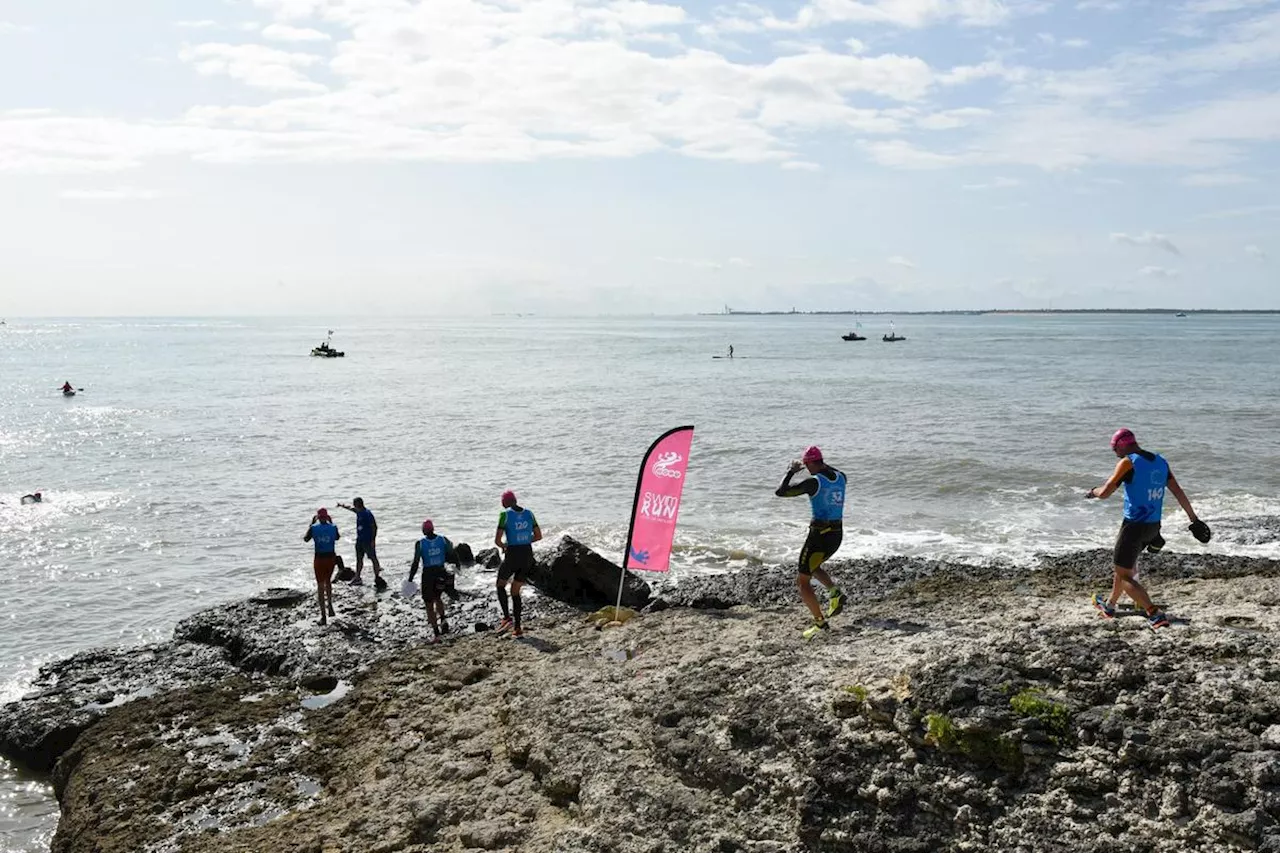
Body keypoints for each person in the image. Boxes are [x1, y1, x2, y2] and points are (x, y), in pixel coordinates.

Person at [1086, 428, 1209, 630]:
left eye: (1114, 448)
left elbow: (1106, 492)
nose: (1114, 452)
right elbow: (1177, 491)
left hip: (1133, 527)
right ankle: (1110, 606)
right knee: (1123, 566)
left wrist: (1093, 492)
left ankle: (1154, 614)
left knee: (1124, 574)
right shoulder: (1160, 462)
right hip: (1153, 526)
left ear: (1122, 445)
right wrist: (1194, 520)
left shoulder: (1128, 462)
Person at [775, 445, 847, 640]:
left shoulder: (813, 483)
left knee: (802, 581)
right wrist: (815, 462)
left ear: (809, 464)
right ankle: (834, 593)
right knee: (812, 566)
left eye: (807, 465)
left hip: (819, 536)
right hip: (837, 535)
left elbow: (781, 492)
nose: (806, 469)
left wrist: (791, 471)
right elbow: (827, 468)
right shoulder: (842, 477)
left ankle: (819, 623)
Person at [494, 490, 541, 638]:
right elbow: (538, 536)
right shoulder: (529, 513)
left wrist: (505, 546)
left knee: (500, 585)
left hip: (513, 555)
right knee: (515, 591)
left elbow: (497, 540)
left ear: (504, 502)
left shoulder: (504, 515)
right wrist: (525, 540)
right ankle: (518, 628)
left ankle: (507, 618)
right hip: (527, 555)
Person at [409, 519, 453, 643]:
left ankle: (436, 633)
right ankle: (443, 620)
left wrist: (410, 579)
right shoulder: (443, 540)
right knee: (438, 598)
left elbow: (416, 562)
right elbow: (451, 553)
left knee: (429, 604)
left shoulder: (420, 544)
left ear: (424, 530)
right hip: (441, 573)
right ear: (433, 529)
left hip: (428, 575)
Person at [303, 508, 340, 625]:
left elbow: (306, 539)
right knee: (328, 581)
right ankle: (330, 605)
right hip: (331, 558)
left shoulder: (314, 528)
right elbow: (337, 537)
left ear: (318, 517)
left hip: (319, 559)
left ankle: (323, 616)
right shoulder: (333, 527)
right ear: (327, 517)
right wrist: (331, 522)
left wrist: (311, 524)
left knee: (320, 586)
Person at [337, 497, 383, 588]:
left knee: (373, 558)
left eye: (355, 504)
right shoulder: (358, 511)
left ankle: (377, 576)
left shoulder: (367, 514)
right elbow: (351, 509)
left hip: (368, 540)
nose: (354, 505)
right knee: (359, 559)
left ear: (359, 504)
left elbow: (374, 527)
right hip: (360, 540)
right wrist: (342, 506)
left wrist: (373, 540)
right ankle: (357, 577)